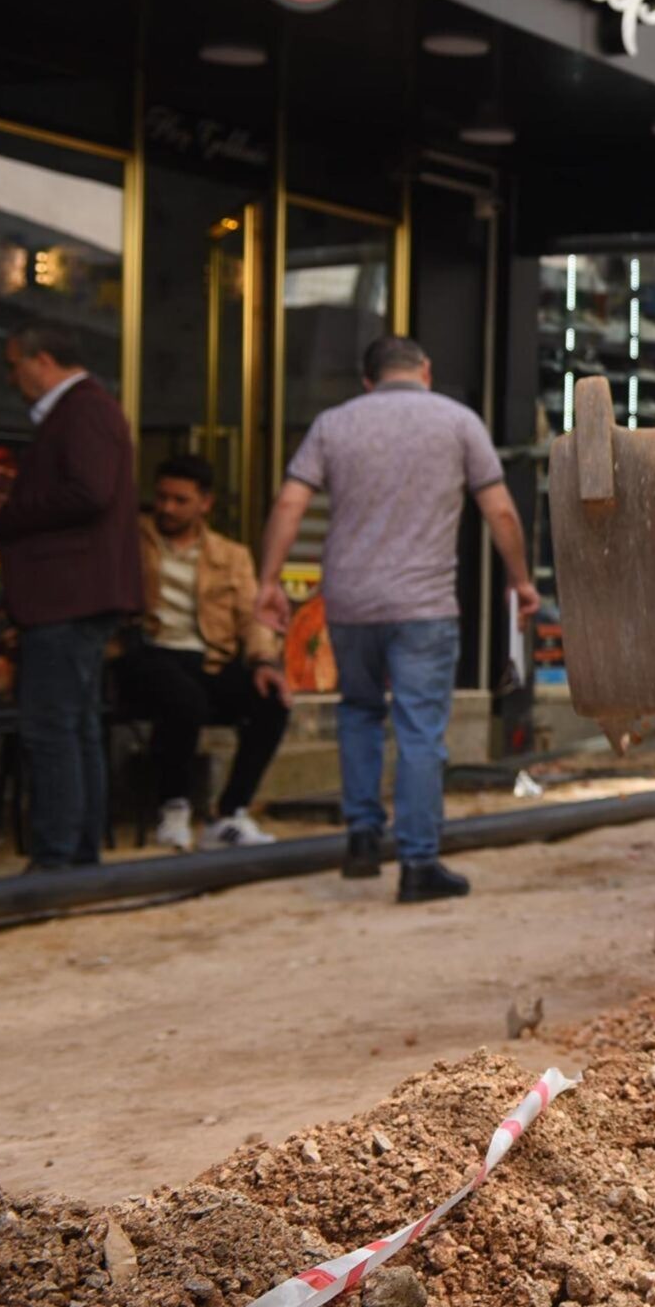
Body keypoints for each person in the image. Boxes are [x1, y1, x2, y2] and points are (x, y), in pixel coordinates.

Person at [255, 336, 538, 904]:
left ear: (368, 379)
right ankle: (417, 863)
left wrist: (268, 580)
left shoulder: (334, 425)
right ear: (425, 371)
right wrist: (521, 580)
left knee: (357, 712)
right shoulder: (458, 422)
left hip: (351, 601)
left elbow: (290, 503)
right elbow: (501, 509)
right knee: (419, 731)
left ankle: (362, 838)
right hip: (423, 606)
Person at [0, 322, 144, 870]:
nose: (12, 379)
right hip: (74, 596)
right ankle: (74, 855)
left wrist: (3, 515)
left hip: (69, 596)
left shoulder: (84, 410)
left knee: (54, 728)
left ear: (42, 361)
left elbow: (88, 491)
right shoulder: (87, 409)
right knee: (73, 727)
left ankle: (59, 857)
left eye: (15, 365)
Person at [124, 454, 290, 850]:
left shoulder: (230, 555)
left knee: (272, 701)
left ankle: (230, 813)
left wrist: (264, 661)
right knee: (184, 700)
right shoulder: (131, 539)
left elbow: (253, 618)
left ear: (205, 503)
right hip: (148, 653)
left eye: (180, 500)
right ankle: (174, 806)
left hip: (208, 658)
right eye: (161, 497)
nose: (167, 508)